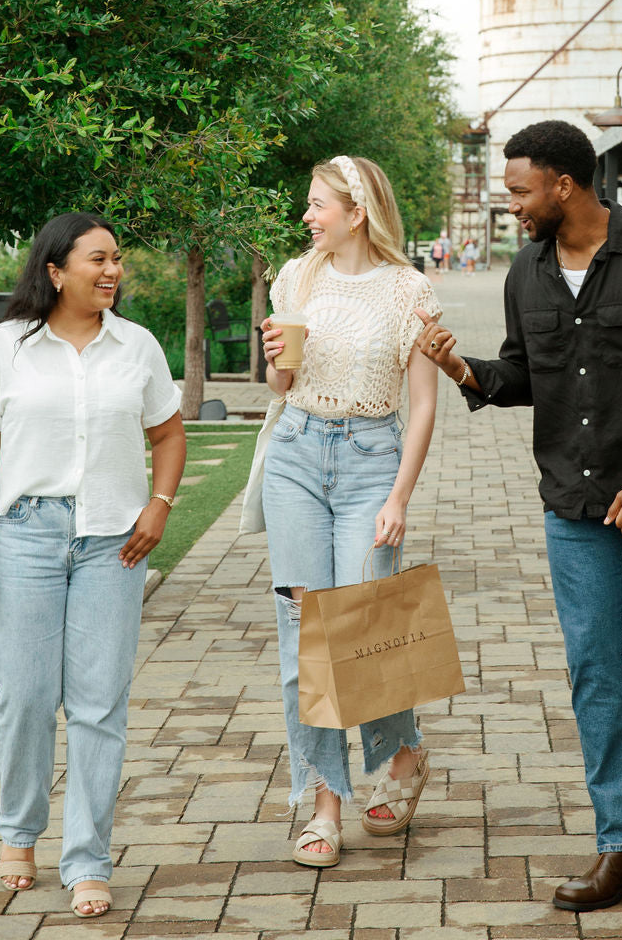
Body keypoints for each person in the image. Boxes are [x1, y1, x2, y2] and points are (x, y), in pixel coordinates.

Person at [415, 120, 622, 912]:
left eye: (520, 190)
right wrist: (463, 368)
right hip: (576, 502)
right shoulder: (528, 273)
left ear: (564, 185)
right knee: (595, 663)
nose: (511, 204)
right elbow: (526, 373)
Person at [0, 212, 186, 919]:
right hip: (27, 535)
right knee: (25, 694)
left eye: (117, 258)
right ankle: (19, 832)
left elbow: (169, 431)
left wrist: (159, 503)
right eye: (99, 259)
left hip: (113, 541)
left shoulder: (138, 346)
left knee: (98, 704)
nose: (114, 270)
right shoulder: (5, 348)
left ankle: (88, 858)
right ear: (56, 270)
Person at [259, 155, 441, 868]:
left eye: (317, 205)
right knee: (306, 634)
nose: (307, 216)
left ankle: (403, 753)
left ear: (357, 211)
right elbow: (281, 382)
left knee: (368, 630)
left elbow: (423, 405)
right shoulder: (294, 276)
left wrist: (398, 495)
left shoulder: (409, 290)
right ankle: (325, 802)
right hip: (297, 453)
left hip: (371, 459)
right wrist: (277, 358)